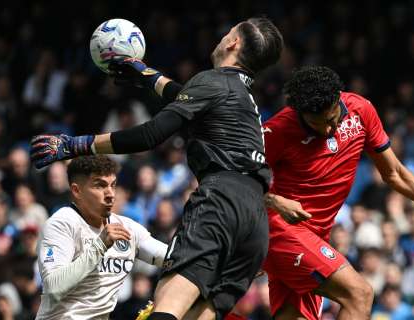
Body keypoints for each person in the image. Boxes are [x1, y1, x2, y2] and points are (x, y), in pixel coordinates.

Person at [30, 17, 284, 320]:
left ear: (233, 43)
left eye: (226, 34)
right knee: (197, 315)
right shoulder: (243, 97)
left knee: (167, 305)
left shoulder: (213, 80)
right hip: (255, 221)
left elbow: (150, 134)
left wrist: (75, 145)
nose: (221, 39)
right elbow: (188, 96)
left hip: (220, 202)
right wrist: (145, 74)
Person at [259, 66, 414, 319]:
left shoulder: (361, 110)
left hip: (316, 236)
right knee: (360, 294)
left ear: (338, 99)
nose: (326, 130)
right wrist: (275, 201)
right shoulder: (277, 129)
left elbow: (394, 173)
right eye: (315, 123)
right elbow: (231, 179)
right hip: (280, 229)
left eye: (331, 119)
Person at [35, 156, 168, 319]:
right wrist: (100, 246)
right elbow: (54, 287)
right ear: (77, 191)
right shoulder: (61, 224)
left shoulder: (127, 227)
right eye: (100, 186)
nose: (111, 194)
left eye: (113, 185)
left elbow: (172, 258)